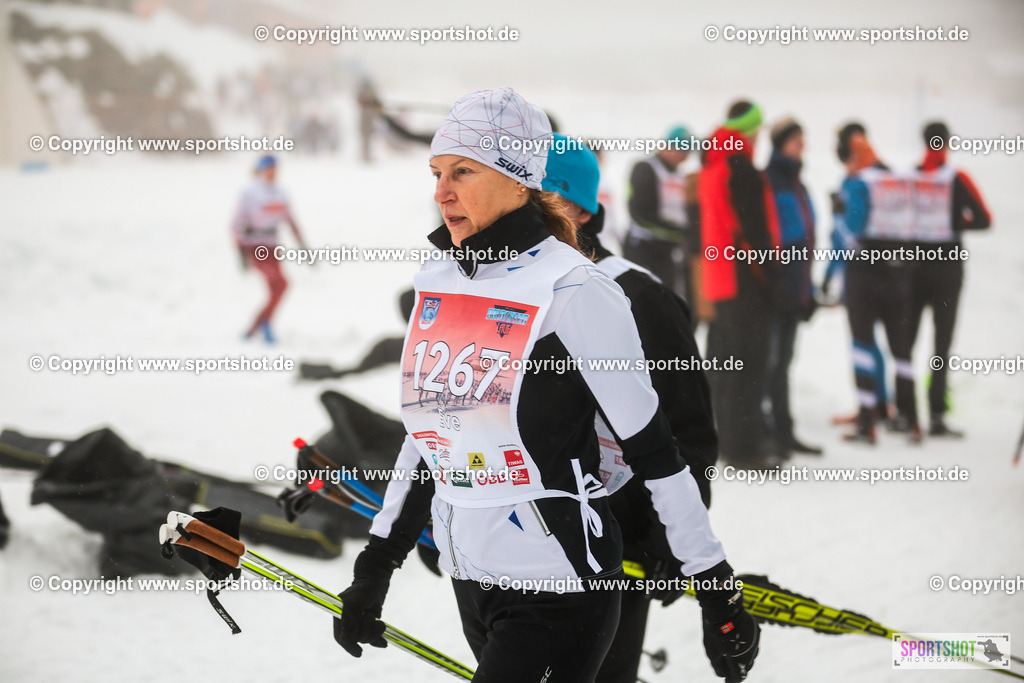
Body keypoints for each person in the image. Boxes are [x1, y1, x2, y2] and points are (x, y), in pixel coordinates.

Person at [333, 88, 759, 682]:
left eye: (462, 172)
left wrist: (714, 587)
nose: (441, 192)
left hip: (560, 583)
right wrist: (376, 566)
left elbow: (658, 450)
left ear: (518, 181)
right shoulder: (445, 280)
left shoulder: (577, 291)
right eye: (436, 173)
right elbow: (431, 436)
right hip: (473, 580)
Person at [543, 134, 727, 683]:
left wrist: (669, 537)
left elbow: (687, 429)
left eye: (541, 197)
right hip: (519, 543)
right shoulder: (504, 292)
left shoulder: (637, 294)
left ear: (581, 209)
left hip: (619, 545)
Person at [700, 100, 781, 469]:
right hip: (745, 278)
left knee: (727, 366)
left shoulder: (712, 162)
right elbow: (753, 231)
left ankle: (728, 441)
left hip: (719, 278)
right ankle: (745, 449)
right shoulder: (739, 165)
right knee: (749, 367)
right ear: (751, 130)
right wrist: (774, 281)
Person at [833, 123, 920, 443]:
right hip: (897, 273)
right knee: (901, 350)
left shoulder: (858, 183)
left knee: (862, 347)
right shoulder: (895, 180)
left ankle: (867, 422)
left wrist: (839, 217)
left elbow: (850, 230)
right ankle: (912, 420)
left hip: (864, 274)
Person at [909, 122, 992, 437]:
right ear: (947, 143)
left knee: (906, 343)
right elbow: (984, 219)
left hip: (914, 270)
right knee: (941, 345)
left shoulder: (911, 177)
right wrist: (955, 220)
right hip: (947, 272)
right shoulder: (957, 179)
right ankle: (936, 415)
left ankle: (905, 413)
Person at [763, 118, 822, 458]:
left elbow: (806, 240)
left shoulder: (798, 183)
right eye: (796, 140)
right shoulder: (770, 181)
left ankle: (784, 430)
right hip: (775, 289)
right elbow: (773, 241)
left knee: (784, 362)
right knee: (770, 363)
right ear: (780, 143)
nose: (802, 146)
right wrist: (779, 285)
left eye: (803, 140)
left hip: (795, 287)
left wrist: (807, 290)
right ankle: (768, 429)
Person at [232, 155, 307, 343]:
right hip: (255, 246)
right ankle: (263, 324)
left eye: (275, 169)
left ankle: (257, 326)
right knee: (278, 282)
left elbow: (290, 220)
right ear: (260, 171)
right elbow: (236, 224)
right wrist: (241, 251)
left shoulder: (281, 192)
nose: (272, 173)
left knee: (279, 287)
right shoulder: (250, 193)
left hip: (272, 245)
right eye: (268, 169)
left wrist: (304, 247)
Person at [622, 126, 696, 301]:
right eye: (680, 150)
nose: (683, 157)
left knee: (666, 300)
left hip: (667, 250)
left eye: (686, 152)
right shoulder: (645, 168)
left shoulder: (681, 175)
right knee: (642, 300)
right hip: (643, 247)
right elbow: (640, 214)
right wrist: (680, 233)